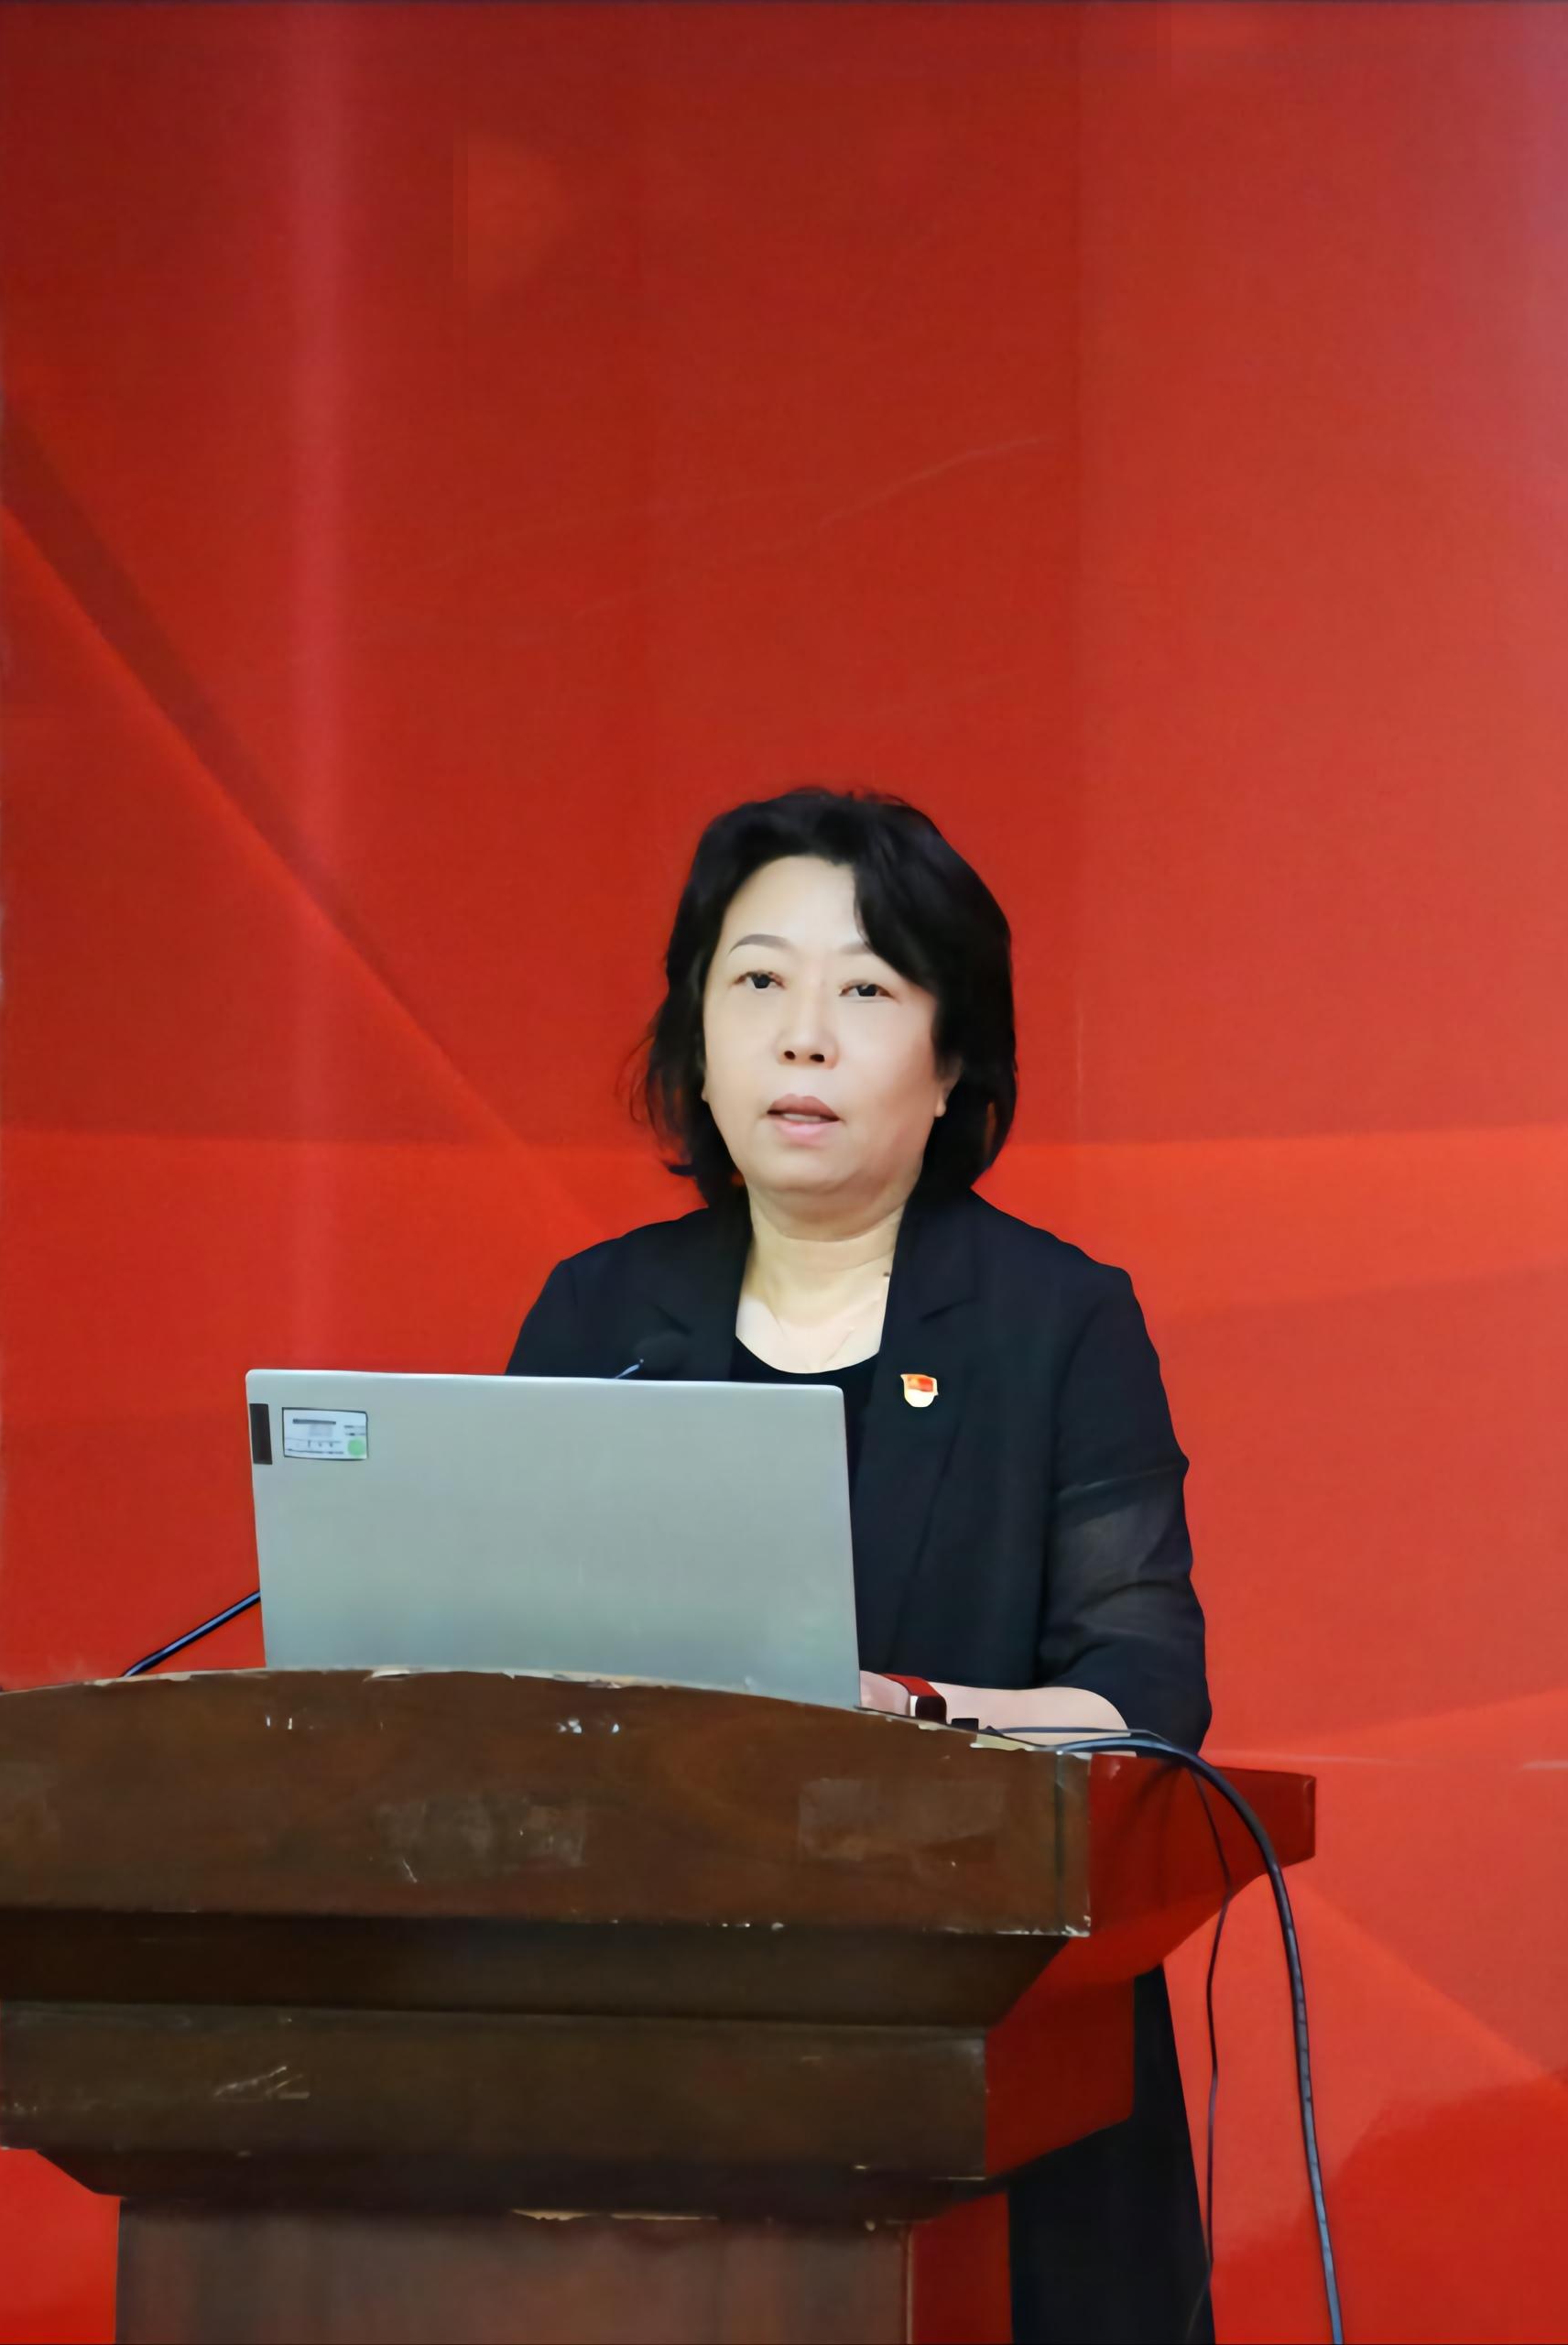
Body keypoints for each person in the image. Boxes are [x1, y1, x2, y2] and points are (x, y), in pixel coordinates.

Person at [506, 786, 1214, 2342]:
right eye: (758, 980)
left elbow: (1147, 1695)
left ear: (954, 1062)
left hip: (998, 2060)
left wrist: (908, 1712)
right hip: (645, 2068)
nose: (804, 1037)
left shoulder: (1056, 1324)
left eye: (869, 990)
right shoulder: (599, 1320)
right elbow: (502, 1678)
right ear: (697, 1036)